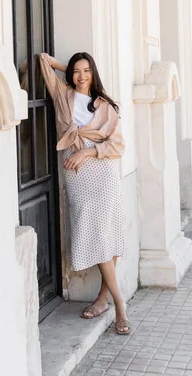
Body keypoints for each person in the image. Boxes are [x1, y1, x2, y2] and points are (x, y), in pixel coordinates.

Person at [39, 51, 130, 335]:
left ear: (94, 74)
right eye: (77, 71)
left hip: (103, 171)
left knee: (108, 233)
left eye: (87, 71)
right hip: (78, 178)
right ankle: (114, 299)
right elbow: (43, 61)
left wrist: (88, 151)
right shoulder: (62, 95)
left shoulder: (105, 105)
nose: (81, 76)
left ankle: (115, 303)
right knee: (97, 233)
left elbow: (117, 146)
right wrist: (66, 69)